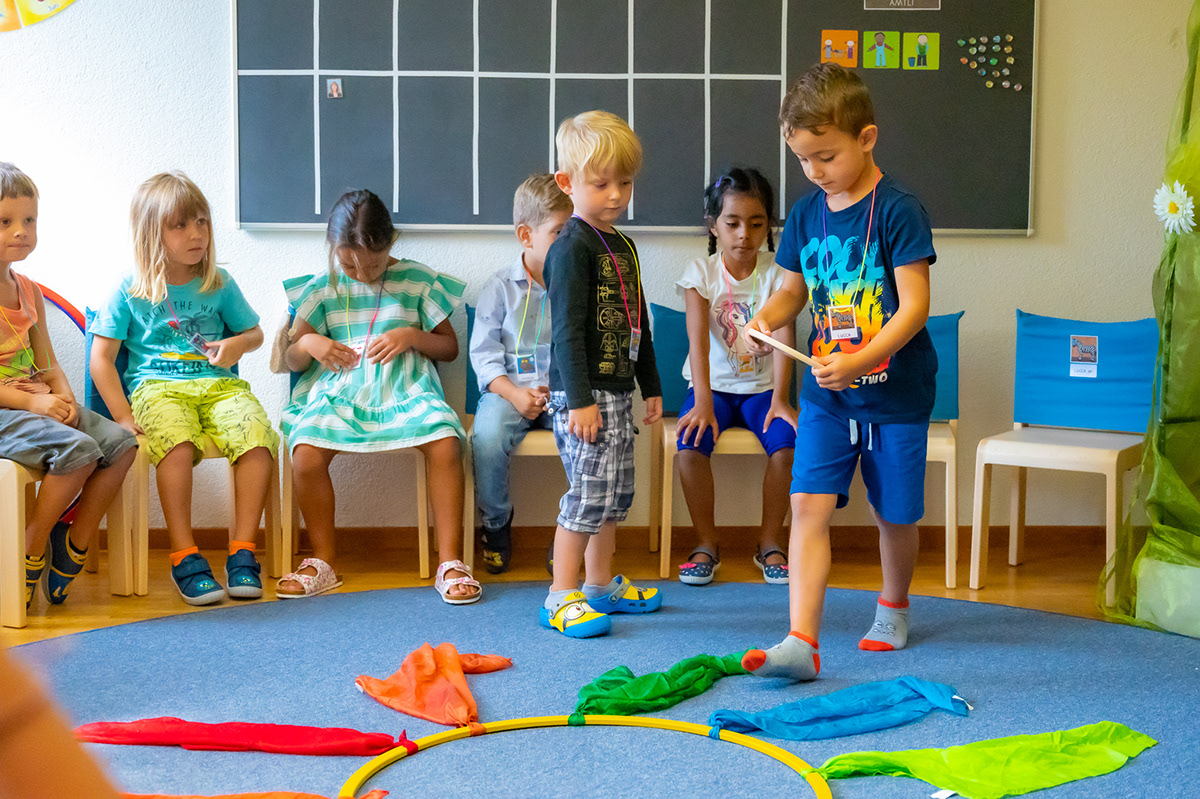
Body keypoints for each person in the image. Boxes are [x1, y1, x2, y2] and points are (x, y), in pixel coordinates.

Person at [740, 63, 937, 681]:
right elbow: (791, 294)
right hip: (828, 397)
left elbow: (915, 307)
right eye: (803, 160)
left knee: (894, 515)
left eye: (825, 156)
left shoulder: (899, 210)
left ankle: (894, 604)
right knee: (807, 506)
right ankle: (801, 641)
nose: (815, 171)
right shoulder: (803, 215)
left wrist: (860, 360)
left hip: (895, 395)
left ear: (867, 138)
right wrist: (764, 321)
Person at [281, 189, 479, 604]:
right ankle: (323, 561)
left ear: (391, 244)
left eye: (372, 262)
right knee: (306, 452)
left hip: (407, 388)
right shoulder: (323, 288)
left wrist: (411, 335)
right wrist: (312, 343)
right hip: (342, 392)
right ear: (334, 250)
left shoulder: (418, 281)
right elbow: (291, 359)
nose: (361, 272)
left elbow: (449, 348)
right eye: (348, 262)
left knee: (446, 441)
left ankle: (450, 561)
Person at [90, 171, 278, 606]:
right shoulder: (129, 288)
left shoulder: (219, 284)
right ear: (151, 234)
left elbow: (255, 335)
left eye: (202, 222)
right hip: (158, 388)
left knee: (256, 437)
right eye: (181, 225)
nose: (197, 234)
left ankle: (243, 551)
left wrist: (236, 345)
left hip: (218, 386)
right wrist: (122, 416)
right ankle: (184, 554)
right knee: (174, 444)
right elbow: (101, 359)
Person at [541, 110, 663, 638]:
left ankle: (598, 586)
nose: (616, 194)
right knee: (587, 495)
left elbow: (640, 324)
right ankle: (559, 596)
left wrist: (652, 386)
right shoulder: (571, 246)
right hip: (584, 398)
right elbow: (565, 331)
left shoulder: (624, 245)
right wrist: (579, 399)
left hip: (617, 393)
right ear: (567, 184)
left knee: (614, 496)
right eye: (601, 183)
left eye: (626, 182)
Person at [0, 163, 137, 610]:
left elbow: (48, 363)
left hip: (34, 400)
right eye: (6, 222)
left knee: (120, 443)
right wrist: (33, 404)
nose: (21, 231)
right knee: (77, 451)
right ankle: (30, 548)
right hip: (10, 408)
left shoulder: (30, 290)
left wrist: (64, 400)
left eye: (29, 220)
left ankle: (72, 541)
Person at [674, 168, 796, 587]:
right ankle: (707, 542)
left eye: (757, 223)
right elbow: (697, 344)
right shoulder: (699, 273)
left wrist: (781, 399)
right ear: (713, 225)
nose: (744, 233)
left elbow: (785, 340)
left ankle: (769, 543)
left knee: (787, 446)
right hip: (714, 391)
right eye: (732, 223)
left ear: (769, 225)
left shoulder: (781, 274)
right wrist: (704, 401)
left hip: (763, 391)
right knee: (689, 447)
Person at [468, 174, 572, 574]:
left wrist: (561, 388)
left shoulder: (575, 284)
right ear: (526, 235)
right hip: (507, 390)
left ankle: (571, 532)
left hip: (562, 389)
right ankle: (495, 525)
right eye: (559, 233)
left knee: (591, 433)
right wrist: (513, 394)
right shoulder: (499, 287)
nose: (568, 243)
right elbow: (484, 355)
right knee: (488, 435)